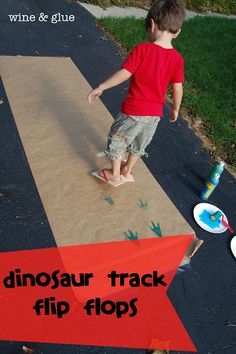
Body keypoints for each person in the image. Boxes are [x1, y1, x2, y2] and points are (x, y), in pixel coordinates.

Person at [88, 0, 186, 187]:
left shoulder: (143, 49)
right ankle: (127, 170)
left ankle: (115, 175)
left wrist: (101, 86)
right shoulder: (177, 59)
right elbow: (177, 88)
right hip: (154, 115)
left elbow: (124, 73)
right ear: (177, 32)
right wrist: (175, 109)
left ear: (151, 24)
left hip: (134, 110)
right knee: (139, 144)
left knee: (117, 139)